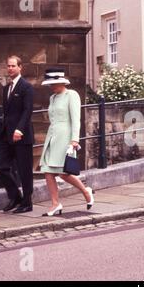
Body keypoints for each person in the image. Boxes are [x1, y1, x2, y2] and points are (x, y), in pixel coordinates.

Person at [39, 68, 94, 217]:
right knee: (48, 170)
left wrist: (74, 139)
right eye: (50, 84)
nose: (51, 86)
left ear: (61, 82)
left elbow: (76, 119)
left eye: (53, 83)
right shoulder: (52, 98)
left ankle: (85, 191)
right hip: (52, 136)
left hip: (65, 137)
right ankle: (55, 204)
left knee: (63, 173)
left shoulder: (72, 95)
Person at [0, 56, 34, 214]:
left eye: (13, 66)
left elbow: (27, 110)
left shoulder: (26, 87)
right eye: (8, 66)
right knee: (0, 165)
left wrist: (20, 129)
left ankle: (27, 202)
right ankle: (15, 196)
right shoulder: (6, 88)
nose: (10, 68)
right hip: (7, 135)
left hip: (21, 135)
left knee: (24, 170)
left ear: (20, 67)